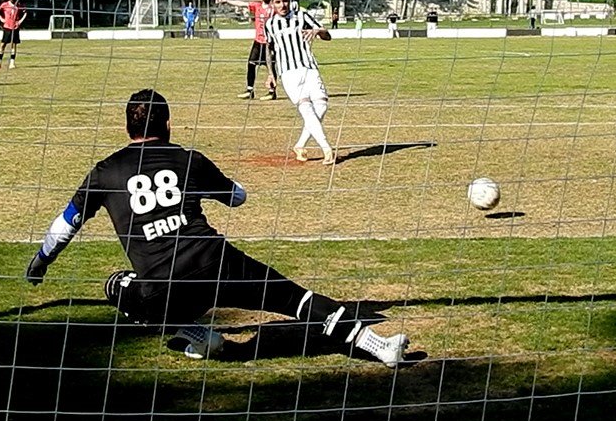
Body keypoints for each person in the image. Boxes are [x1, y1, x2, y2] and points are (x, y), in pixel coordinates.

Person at [23, 90, 409, 366]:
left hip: (163, 284)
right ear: (169, 123)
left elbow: (65, 224)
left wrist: (41, 261)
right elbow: (237, 197)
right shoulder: (189, 159)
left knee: (116, 286)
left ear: (127, 128)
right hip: (215, 261)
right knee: (296, 301)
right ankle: (378, 345)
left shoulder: (105, 171)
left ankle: (195, 334)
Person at [264, 0, 336, 165]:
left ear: (290, 0)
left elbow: (328, 36)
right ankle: (327, 149)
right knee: (306, 109)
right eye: (278, 2)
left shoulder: (302, 16)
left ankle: (300, 145)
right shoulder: (270, 24)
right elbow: (269, 50)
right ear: (273, 4)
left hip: (310, 67)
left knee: (322, 106)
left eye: (285, 1)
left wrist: (318, 31)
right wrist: (270, 75)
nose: (282, 5)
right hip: (288, 73)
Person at [218, 0, 276, 100]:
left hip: (270, 42)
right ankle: (250, 90)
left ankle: (272, 92)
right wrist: (226, 1)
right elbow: (241, 4)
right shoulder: (257, 5)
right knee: (251, 64)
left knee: (271, 67)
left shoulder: (274, 8)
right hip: (258, 41)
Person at [0, 0, 26, 69]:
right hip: (7, 27)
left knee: (13, 45)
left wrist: (20, 21)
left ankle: (12, 63)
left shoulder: (18, 5)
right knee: (2, 45)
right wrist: (1, 19)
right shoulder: (5, 4)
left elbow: (25, 13)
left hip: (15, 27)